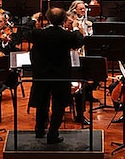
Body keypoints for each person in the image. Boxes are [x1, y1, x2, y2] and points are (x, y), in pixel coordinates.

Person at [26, 8, 84, 144]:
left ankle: (39, 130)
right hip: (60, 75)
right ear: (64, 20)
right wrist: (75, 28)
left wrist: (33, 19)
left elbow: (25, 32)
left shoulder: (39, 34)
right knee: (59, 105)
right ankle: (53, 134)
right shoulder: (67, 36)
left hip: (42, 75)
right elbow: (79, 41)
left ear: (48, 19)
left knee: (42, 103)